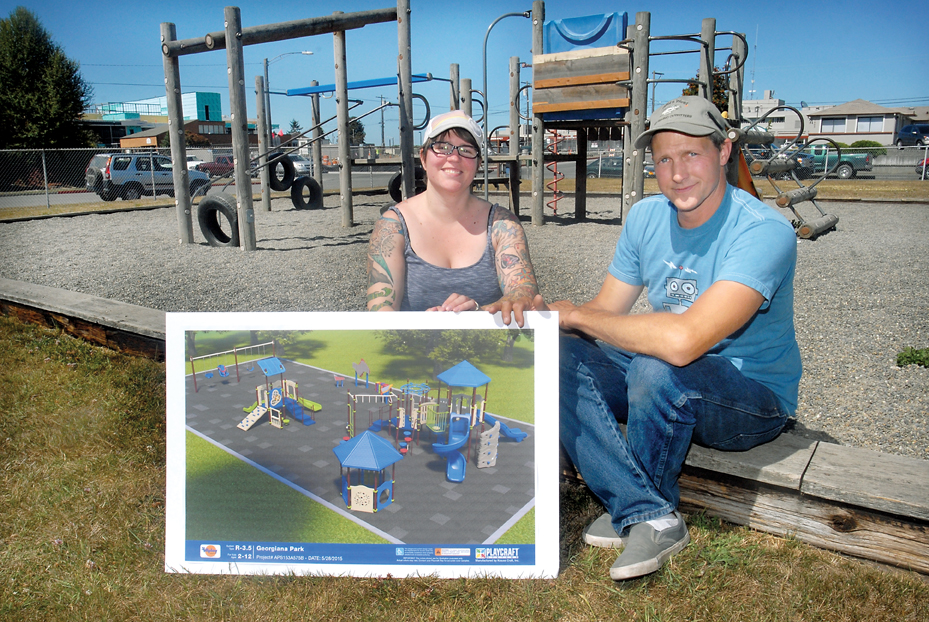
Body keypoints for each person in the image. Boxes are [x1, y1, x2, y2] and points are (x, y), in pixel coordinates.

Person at [540, 96, 802, 580]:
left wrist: (577, 316)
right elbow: (605, 311)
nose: (677, 173)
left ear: (724, 152)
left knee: (658, 364)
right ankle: (644, 508)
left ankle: (645, 515)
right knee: (553, 350)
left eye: (691, 154)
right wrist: (547, 316)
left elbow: (683, 341)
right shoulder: (645, 217)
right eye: (663, 158)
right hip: (667, 376)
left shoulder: (764, 230)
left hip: (752, 399)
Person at [366, 110, 539, 326]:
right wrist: (419, 327)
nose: (454, 158)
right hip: (411, 354)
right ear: (423, 158)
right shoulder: (393, 226)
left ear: (478, 164)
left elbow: (523, 292)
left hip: (488, 354)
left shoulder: (503, 224)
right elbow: (380, 310)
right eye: (442, 147)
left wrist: (480, 312)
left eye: (466, 150)